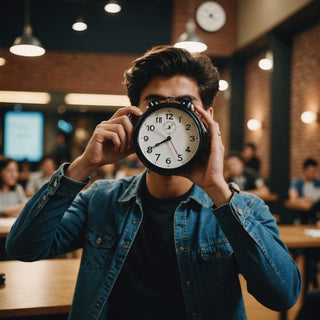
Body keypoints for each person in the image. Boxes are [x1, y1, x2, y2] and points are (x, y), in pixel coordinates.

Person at [6, 45, 301, 319]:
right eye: (155, 103)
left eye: (185, 104)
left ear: (207, 119)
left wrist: (218, 191)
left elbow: (282, 296)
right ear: (135, 117)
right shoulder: (100, 200)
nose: (170, 117)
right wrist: (84, 165)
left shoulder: (243, 208)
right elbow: (24, 247)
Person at [289, 158, 320, 224]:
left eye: (314, 171)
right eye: (311, 171)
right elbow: (293, 199)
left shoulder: (318, 183)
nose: (313, 174)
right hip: (302, 213)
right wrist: (304, 199)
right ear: (304, 171)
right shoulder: (297, 183)